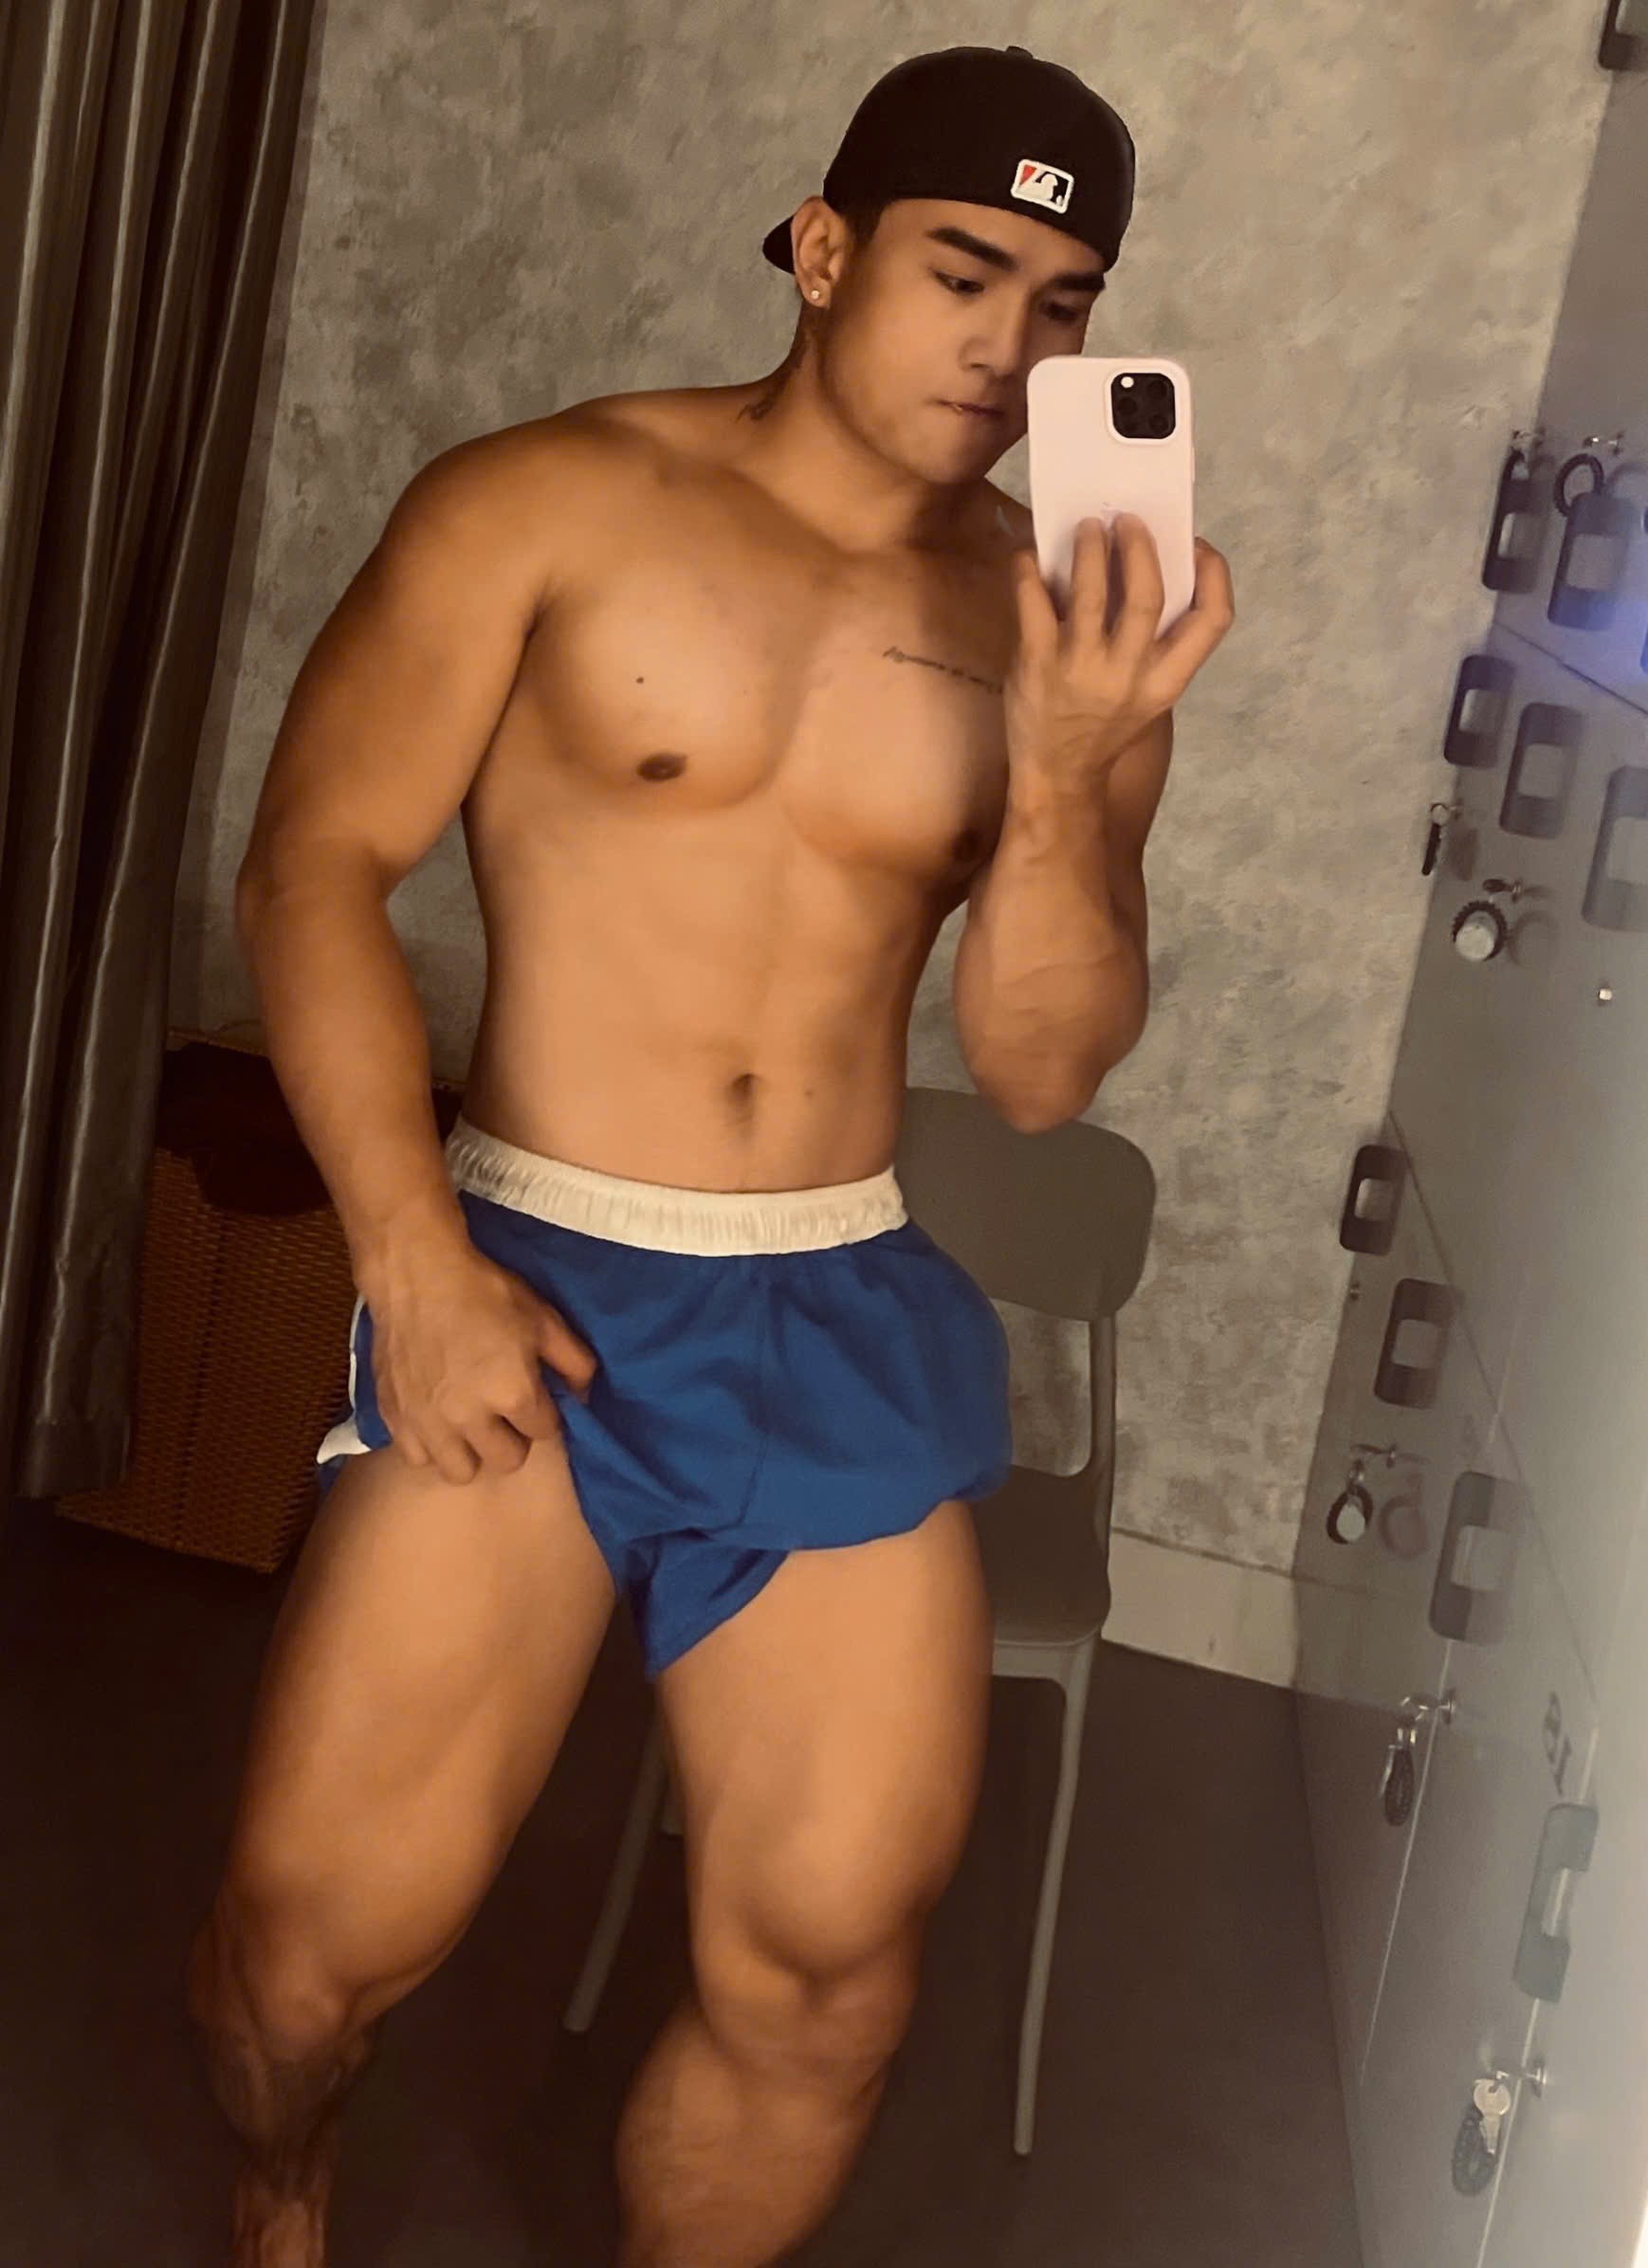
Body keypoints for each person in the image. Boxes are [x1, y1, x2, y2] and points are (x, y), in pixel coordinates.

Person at [186, 41, 1234, 2268]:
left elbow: (1038, 1071)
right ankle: (279, 2190)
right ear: (823, 246)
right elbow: (311, 866)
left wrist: (1065, 769)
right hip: (528, 1263)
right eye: (962, 269)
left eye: (1062, 302)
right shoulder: (543, 504)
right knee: (304, 1954)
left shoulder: (1062, 623)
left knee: (826, 1982)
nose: (1010, 343)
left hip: (829, 1290)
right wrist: (411, 1259)